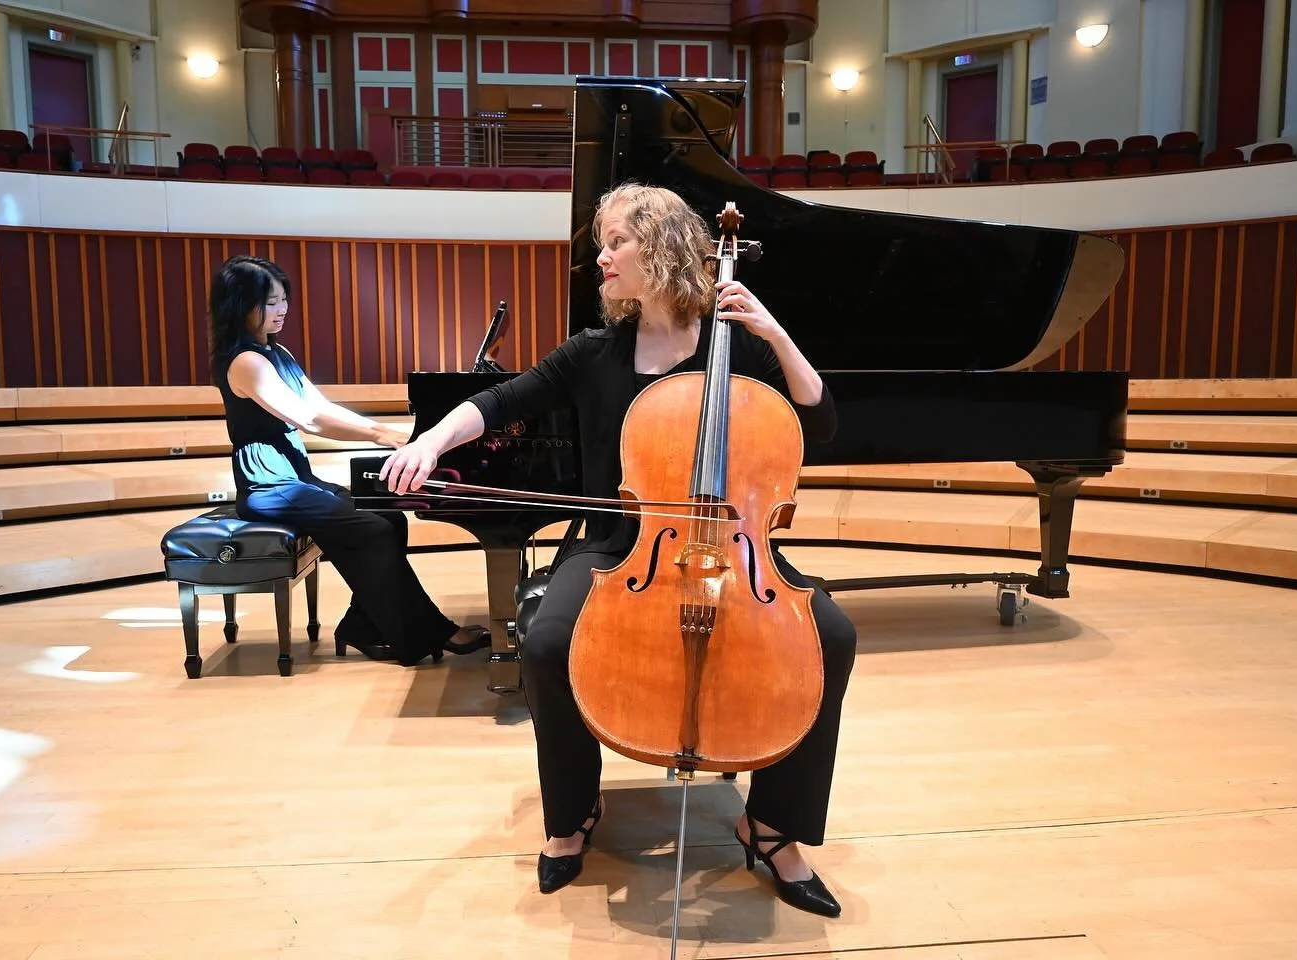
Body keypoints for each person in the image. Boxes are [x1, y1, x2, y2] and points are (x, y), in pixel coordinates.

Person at [380, 184, 858, 917]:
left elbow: (819, 421)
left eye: (615, 242)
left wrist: (774, 333)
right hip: (619, 547)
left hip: (734, 546)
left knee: (831, 635)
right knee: (544, 645)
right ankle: (573, 814)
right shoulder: (597, 353)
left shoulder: (735, 349)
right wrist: (432, 438)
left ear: (660, 246)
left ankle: (770, 824)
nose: (600, 256)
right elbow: (503, 400)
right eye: (602, 243)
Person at [208, 254, 489, 667]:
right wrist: (382, 435)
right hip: (269, 486)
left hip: (294, 479)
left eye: (283, 299)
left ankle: (364, 625)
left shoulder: (276, 353)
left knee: (388, 518)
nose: (282, 308)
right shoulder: (245, 361)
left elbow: (322, 405)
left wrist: (391, 432)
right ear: (239, 303)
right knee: (372, 529)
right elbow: (308, 418)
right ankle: (429, 632)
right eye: (270, 301)